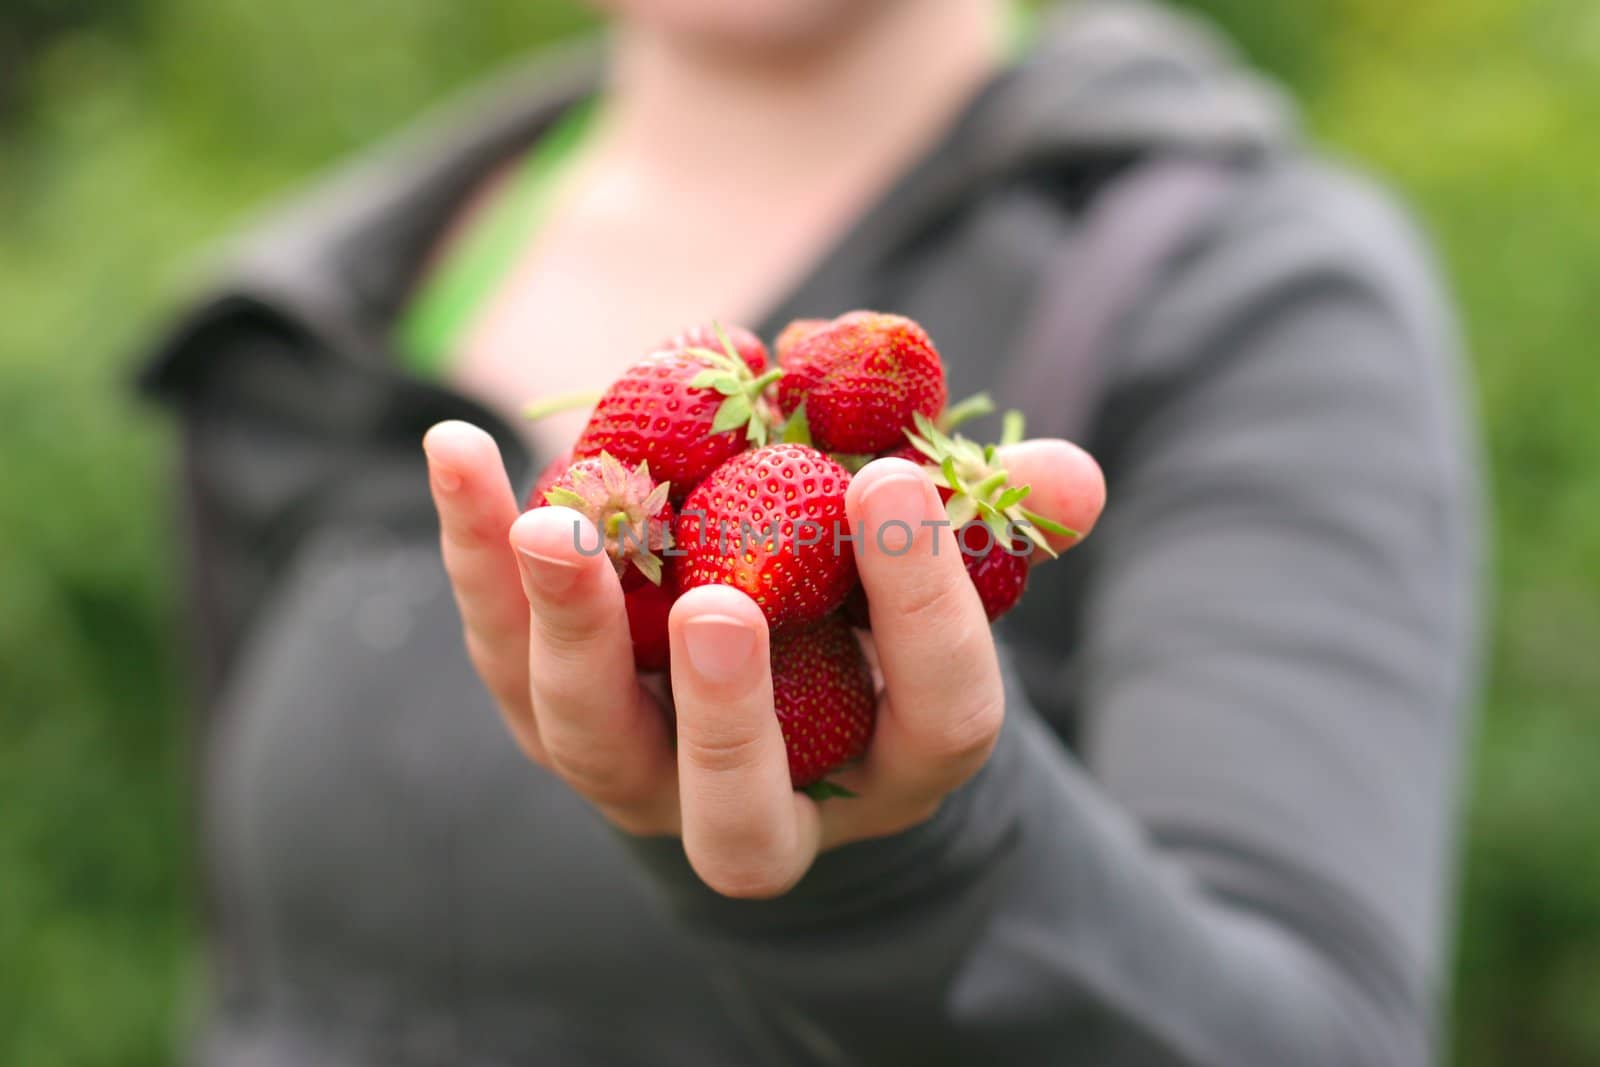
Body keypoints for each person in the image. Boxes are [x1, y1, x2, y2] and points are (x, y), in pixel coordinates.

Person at [139, 0, 1479, 1063]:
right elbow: (258, 982)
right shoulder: (311, 315)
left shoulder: (1236, 292)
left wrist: (908, 869)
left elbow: (1316, 1037)